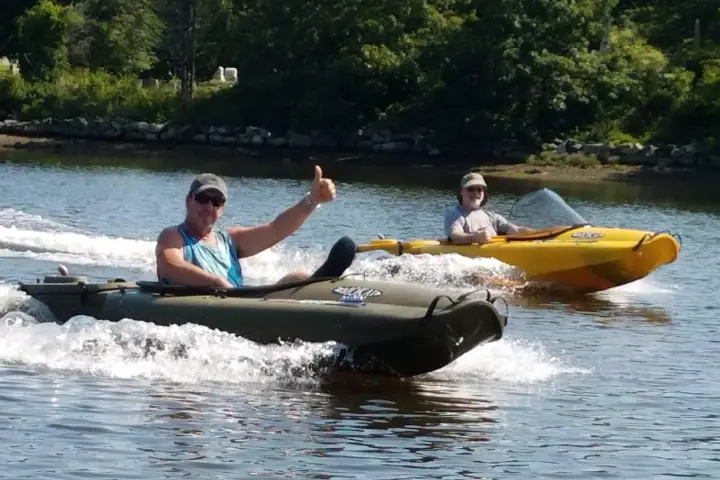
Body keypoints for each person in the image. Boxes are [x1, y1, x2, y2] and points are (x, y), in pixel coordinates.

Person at [155, 165, 336, 288]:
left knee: (299, 278)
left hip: (236, 303)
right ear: (188, 200)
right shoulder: (173, 236)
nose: (210, 207)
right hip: (205, 308)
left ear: (222, 208)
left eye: (217, 201)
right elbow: (169, 266)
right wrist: (216, 282)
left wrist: (312, 201)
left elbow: (275, 229)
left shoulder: (229, 240)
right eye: (203, 199)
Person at [444, 171, 533, 244]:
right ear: (461, 192)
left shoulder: (492, 216)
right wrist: (474, 237)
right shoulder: (455, 215)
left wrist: (541, 233)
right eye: (470, 189)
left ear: (483, 193)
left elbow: (516, 230)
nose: (475, 193)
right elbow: (455, 236)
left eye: (479, 190)